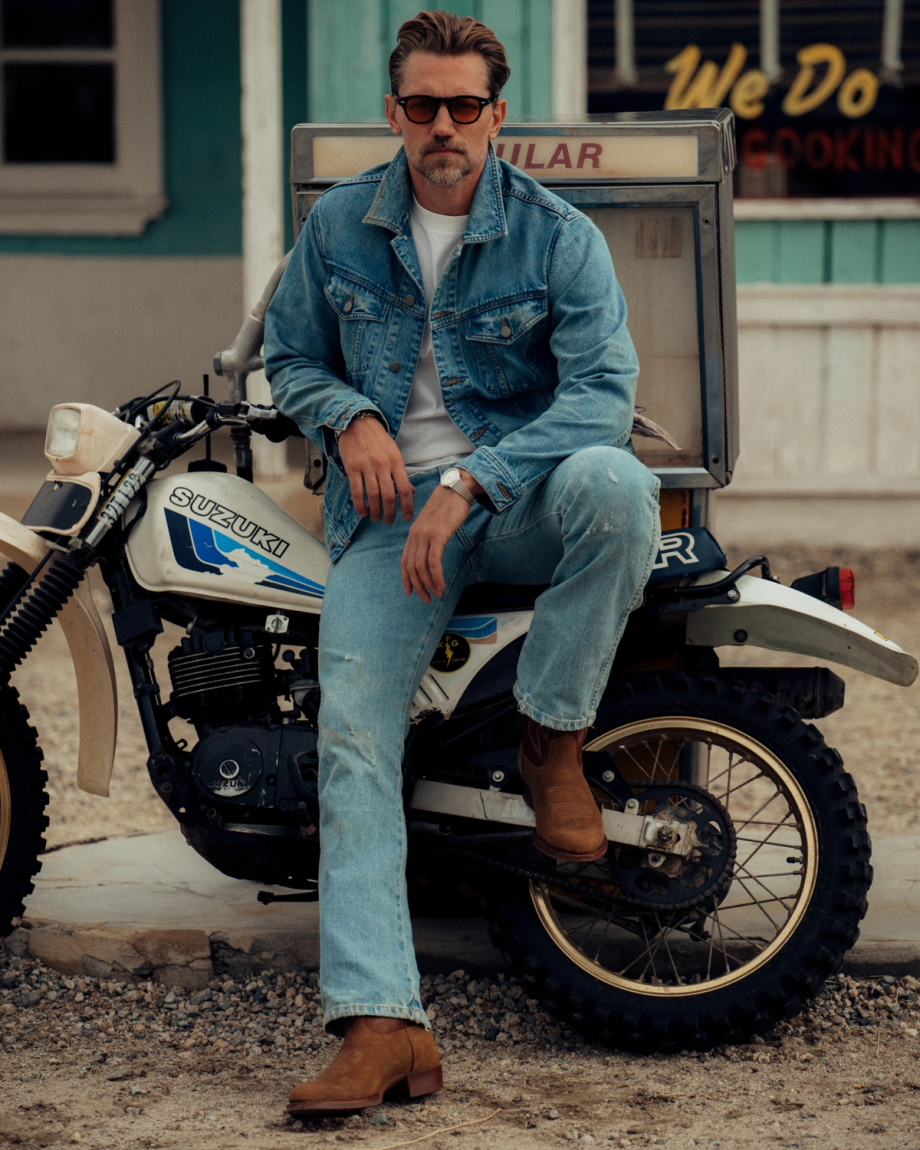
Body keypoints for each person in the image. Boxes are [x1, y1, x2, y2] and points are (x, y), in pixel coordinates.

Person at [264, 9, 661, 1114]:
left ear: (497, 115)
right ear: (393, 111)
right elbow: (290, 353)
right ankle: (384, 1024)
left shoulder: (554, 233)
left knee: (621, 486)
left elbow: (600, 394)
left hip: (515, 496)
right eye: (421, 105)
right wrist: (346, 417)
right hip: (387, 528)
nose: (443, 126)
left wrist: (469, 478)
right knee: (349, 731)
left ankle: (552, 741)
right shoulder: (340, 226)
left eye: (465, 106)